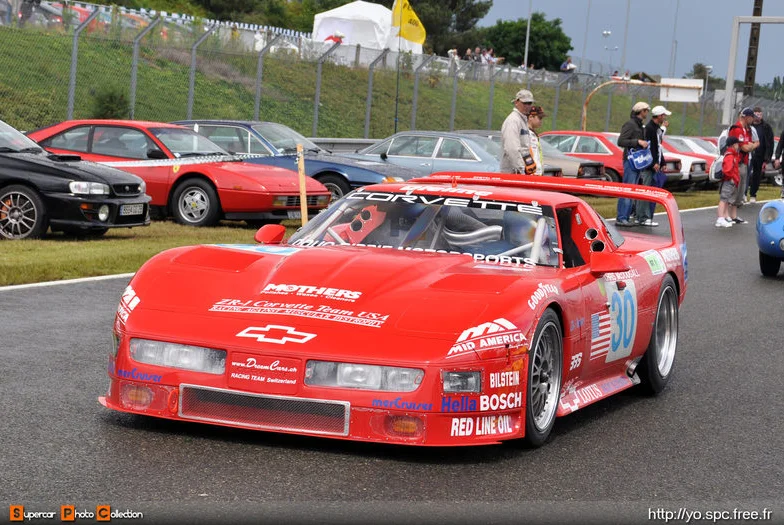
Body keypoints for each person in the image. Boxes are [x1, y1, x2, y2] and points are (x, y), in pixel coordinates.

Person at [615, 101, 650, 227]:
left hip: (638, 161)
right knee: (627, 188)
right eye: (646, 110)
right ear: (641, 111)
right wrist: (638, 142)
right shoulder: (630, 124)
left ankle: (626, 216)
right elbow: (621, 141)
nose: (647, 113)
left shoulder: (640, 125)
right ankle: (621, 217)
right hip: (630, 160)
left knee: (632, 189)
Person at [638, 105, 672, 227]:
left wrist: (662, 162)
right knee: (646, 191)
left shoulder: (656, 128)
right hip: (648, 166)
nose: (665, 117)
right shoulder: (649, 129)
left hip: (654, 164)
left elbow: (658, 147)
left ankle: (644, 216)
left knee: (650, 190)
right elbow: (649, 147)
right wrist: (653, 163)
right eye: (663, 115)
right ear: (658, 116)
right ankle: (643, 217)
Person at [727, 107, 758, 224]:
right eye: (751, 117)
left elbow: (754, 144)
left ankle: (734, 215)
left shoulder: (748, 130)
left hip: (744, 162)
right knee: (733, 189)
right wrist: (749, 146)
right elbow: (745, 147)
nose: (753, 120)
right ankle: (726, 215)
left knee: (741, 189)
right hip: (736, 163)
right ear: (746, 117)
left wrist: (750, 146)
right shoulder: (737, 129)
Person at [500, 89, 536, 175]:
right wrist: (522, 169)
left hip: (521, 171)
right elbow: (511, 148)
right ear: (516, 102)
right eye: (525, 103)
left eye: (529, 103)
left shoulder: (522, 120)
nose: (527, 106)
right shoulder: (513, 121)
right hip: (513, 173)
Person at [749, 106, 774, 203]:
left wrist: (767, 158)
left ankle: (753, 194)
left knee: (757, 175)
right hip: (749, 154)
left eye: (760, 114)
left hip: (760, 155)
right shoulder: (749, 126)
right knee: (746, 174)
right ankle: (743, 193)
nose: (758, 116)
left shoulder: (766, 127)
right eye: (756, 114)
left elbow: (770, 143)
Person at [716, 136, 741, 228]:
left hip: (731, 180)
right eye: (737, 144)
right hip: (728, 181)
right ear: (734, 145)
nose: (738, 146)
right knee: (723, 199)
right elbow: (728, 169)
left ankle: (725, 216)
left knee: (726, 200)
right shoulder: (730, 156)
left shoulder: (733, 155)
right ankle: (720, 218)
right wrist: (731, 178)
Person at [527, 106, 546, 175]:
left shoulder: (534, 134)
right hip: (532, 173)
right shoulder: (526, 134)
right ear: (530, 117)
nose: (541, 121)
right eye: (539, 118)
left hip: (537, 173)